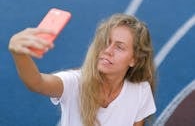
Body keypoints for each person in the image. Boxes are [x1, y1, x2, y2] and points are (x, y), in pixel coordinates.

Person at [8, 13, 156, 126]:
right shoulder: (75, 82)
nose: (108, 50)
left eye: (119, 47)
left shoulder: (140, 92)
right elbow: (36, 83)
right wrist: (19, 54)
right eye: (106, 42)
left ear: (134, 59)